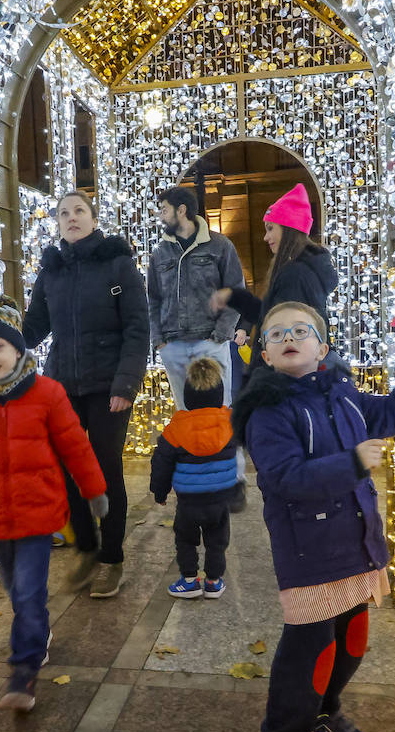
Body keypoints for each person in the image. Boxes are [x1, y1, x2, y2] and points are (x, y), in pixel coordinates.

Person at [231, 301, 395, 732]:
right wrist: (349, 463)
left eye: (301, 330)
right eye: (276, 333)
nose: (289, 336)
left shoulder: (342, 393)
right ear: (264, 354)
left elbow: (391, 413)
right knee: (312, 649)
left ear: (322, 348)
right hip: (309, 552)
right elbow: (284, 479)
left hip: (357, 542)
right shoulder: (267, 413)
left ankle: (324, 712)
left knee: (351, 640)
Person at [0, 297, 109, 712]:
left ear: (18, 349)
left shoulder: (47, 393)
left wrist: (94, 489)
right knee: (16, 591)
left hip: (37, 511)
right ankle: (38, 633)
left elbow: (75, 447)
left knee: (28, 593)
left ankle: (23, 673)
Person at [24, 191, 150, 599]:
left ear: (93, 219)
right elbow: (32, 328)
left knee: (105, 468)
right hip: (63, 386)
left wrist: (126, 384)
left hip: (109, 386)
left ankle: (111, 558)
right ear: (58, 223)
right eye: (64, 213)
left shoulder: (117, 262)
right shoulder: (53, 269)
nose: (71, 218)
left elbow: (137, 327)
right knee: (67, 469)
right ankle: (87, 548)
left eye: (79, 211)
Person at [148, 185, 250, 511]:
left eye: (163, 209)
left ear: (181, 210)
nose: (160, 216)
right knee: (185, 416)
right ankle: (196, 484)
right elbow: (151, 299)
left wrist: (221, 334)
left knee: (222, 413)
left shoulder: (220, 246)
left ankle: (235, 481)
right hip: (174, 345)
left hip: (211, 342)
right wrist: (159, 340)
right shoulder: (159, 253)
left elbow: (236, 291)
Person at [210, 183, 337, 375]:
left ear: (288, 229)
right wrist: (234, 297)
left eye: (270, 229)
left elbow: (282, 329)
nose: (265, 237)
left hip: (284, 380)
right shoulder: (301, 271)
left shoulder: (294, 275)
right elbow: (271, 316)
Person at [149, 357, 235, 600]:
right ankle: (214, 582)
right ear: (219, 395)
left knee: (185, 539)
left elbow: (161, 462)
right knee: (217, 540)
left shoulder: (176, 428)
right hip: (220, 498)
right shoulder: (230, 424)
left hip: (189, 501)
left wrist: (160, 492)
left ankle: (189, 581)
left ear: (187, 396)